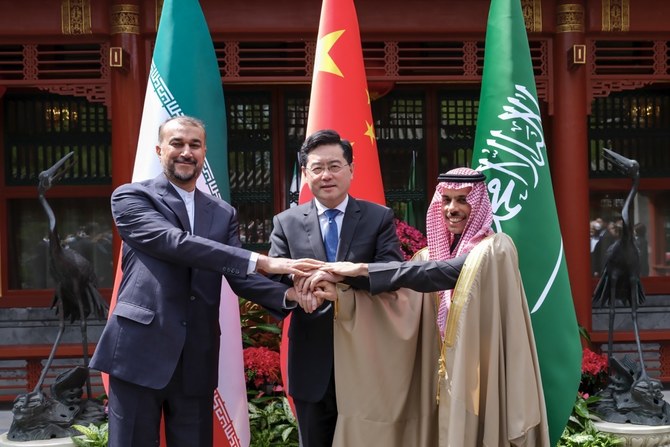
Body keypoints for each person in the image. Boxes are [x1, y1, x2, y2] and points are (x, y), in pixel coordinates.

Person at [89, 116, 322, 447]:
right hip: (139, 350)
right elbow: (175, 243)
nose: (186, 152)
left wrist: (291, 295)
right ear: (159, 150)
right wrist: (261, 259)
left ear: (204, 153)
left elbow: (237, 275)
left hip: (196, 354)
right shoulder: (131, 198)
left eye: (194, 145)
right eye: (177, 143)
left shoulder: (222, 212)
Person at [319, 168, 550, 446]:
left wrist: (363, 269)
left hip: (482, 371)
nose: (452, 209)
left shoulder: (496, 249)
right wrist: (343, 295)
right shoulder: (428, 256)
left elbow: (441, 273)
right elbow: (400, 304)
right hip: (438, 378)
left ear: (478, 204)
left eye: (462, 200)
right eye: (446, 200)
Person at [267, 129, 403, 447]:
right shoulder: (285, 222)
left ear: (351, 170)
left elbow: (392, 274)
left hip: (365, 356)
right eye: (317, 168)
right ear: (305, 174)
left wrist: (340, 279)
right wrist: (294, 295)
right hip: (311, 361)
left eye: (335, 166)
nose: (326, 175)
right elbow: (272, 281)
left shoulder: (377, 218)